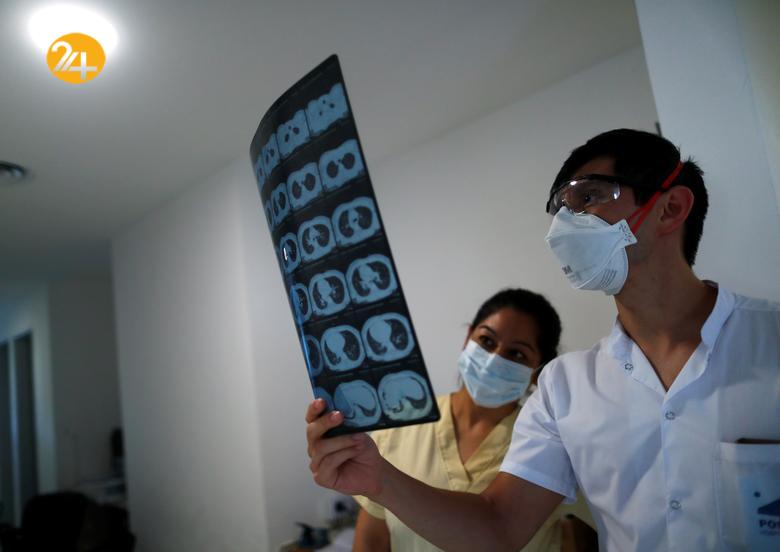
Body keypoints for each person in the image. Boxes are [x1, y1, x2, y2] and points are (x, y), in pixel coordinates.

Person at [306, 129, 780, 551]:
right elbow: (499, 527)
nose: (563, 228)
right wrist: (380, 479)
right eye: (561, 209)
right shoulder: (564, 387)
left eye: (589, 196)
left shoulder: (771, 339)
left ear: (670, 208)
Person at [352, 288, 596, 551]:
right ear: (467, 338)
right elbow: (372, 541)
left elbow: (594, 531)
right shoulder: (402, 424)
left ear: (538, 372)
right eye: (487, 341)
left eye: (517, 354)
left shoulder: (548, 442)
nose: (494, 359)